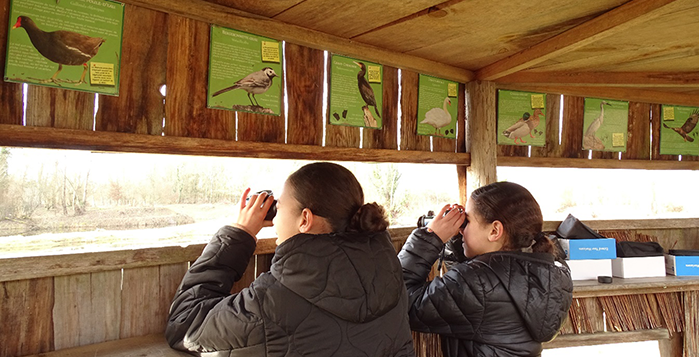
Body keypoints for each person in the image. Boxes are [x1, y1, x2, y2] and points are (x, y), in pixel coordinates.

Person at [166, 162, 415, 356]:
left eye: (280, 207)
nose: (274, 219)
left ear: (304, 219)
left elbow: (185, 324)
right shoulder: (387, 271)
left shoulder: (273, 300)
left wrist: (239, 234)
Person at [398, 181, 573, 357]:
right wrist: (459, 243)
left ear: (495, 230)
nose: (461, 230)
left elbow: (401, 301)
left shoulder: (477, 283)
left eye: (467, 222)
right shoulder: (548, 273)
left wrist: (430, 238)